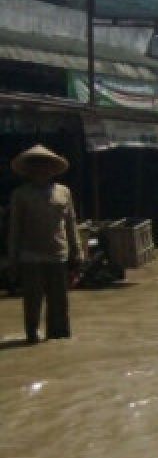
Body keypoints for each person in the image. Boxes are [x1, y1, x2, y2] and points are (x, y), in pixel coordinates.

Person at [7, 145, 82, 344]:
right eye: (36, 167)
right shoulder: (20, 195)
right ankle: (32, 335)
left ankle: (59, 339)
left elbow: (71, 223)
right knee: (32, 301)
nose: (41, 171)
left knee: (59, 303)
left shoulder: (63, 192)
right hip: (30, 256)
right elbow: (15, 228)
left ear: (52, 169)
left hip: (58, 254)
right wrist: (12, 259)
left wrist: (78, 251)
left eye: (45, 166)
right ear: (29, 171)